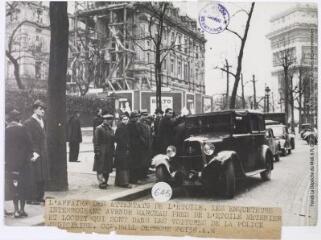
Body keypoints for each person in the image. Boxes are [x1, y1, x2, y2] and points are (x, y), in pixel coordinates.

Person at [5, 110, 33, 217]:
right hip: (23, 163)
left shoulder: (5, 130)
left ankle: (15, 210)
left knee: (14, 187)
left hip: (11, 164)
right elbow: (30, 144)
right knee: (23, 186)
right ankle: (22, 210)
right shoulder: (23, 129)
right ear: (18, 119)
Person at [23, 100, 50, 205]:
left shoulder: (43, 121)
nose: (43, 111)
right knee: (34, 175)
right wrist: (33, 152)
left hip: (43, 152)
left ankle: (39, 196)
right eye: (40, 109)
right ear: (34, 109)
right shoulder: (28, 122)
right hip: (34, 153)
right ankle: (31, 197)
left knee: (42, 175)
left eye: (44, 109)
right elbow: (28, 140)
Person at [93, 113, 115, 189]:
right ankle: (101, 182)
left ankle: (105, 181)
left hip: (109, 150)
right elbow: (96, 141)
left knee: (108, 167)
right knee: (100, 167)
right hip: (101, 150)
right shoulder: (99, 128)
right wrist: (97, 151)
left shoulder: (111, 129)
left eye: (110, 120)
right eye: (107, 120)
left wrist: (113, 151)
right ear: (104, 120)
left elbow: (112, 141)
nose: (109, 121)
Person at [114, 114, 132, 188]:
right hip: (122, 149)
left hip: (122, 149)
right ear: (121, 120)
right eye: (124, 119)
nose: (125, 120)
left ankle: (118, 182)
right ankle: (124, 182)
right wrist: (126, 146)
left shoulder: (125, 127)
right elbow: (118, 139)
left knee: (121, 166)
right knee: (123, 166)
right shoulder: (121, 128)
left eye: (127, 119)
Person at [127, 111, 145, 184]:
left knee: (137, 163)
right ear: (132, 118)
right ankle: (133, 179)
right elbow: (128, 137)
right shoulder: (129, 125)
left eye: (137, 116)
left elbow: (140, 134)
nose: (137, 118)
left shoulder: (137, 124)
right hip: (132, 147)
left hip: (137, 146)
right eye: (135, 117)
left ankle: (136, 178)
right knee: (133, 164)